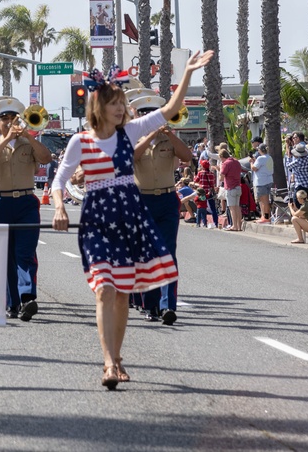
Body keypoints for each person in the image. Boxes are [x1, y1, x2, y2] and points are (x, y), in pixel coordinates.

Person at [52, 50, 214, 390]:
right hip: (97, 221)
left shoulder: (129, 133)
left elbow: (169, 110)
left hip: (129, 219)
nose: (121, 108)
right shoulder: (78, 142)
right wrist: (59, 207)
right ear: (99, 106)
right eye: (115, 103)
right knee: (104, 290)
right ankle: (108, 362)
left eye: (122, 104)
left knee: (123, 293)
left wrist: (186, 72)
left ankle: (118, 355)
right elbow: (59, 180)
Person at [0, 97, 51, 320]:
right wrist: (6, 140)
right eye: (4, 118)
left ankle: (27, 297)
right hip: (0, 201)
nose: (9, 122)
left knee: (24, 252)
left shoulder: (27, 142)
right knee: (4, 254)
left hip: (26, 201)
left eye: (13, 118)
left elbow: (46, 158)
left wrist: (29, 137)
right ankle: (12, 302)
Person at [129, 87, 193, 324]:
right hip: (142, 200)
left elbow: (187, 156)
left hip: (166, 199)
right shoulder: (133, 138)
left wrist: (170, 134)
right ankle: (151, 305)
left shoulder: (168, 139)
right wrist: (147, 136)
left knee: (167, 252)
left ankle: (168, 306)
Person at [217, 146, 244, 231]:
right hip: (238, 186)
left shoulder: (226, 163)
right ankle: (239, 226)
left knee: (232, 208)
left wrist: (220, 169)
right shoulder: (236, 162)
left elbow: (221, 178)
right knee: (237, 207)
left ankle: (234, 226)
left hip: (230, 187)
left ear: (222, 157)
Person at [250, 144, 273, 222]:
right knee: (265, 200)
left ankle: (265, 217)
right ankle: (266, 216)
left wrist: (251, 163)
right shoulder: (269, 157)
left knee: (263, 201)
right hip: (268, 180)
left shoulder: (260, 158)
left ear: (260, 150)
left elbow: (254, 168)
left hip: (261, 182)